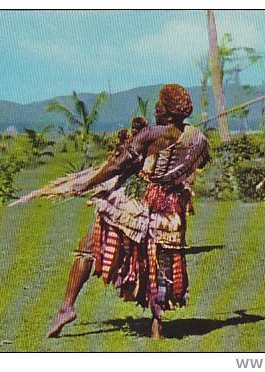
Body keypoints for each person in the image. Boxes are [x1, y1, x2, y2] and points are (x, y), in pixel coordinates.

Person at [46, 84, 209, 339]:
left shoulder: (153, 134)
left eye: (159, 104)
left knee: (86, 248)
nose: (155, 107)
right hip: (168, 211)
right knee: (156, 262)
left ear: (166, 111)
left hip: (136, 205)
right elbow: (202, 160)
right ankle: (157, 326)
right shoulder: (197, 139)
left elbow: (118, 163)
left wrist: (85, 184)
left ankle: (67, 307)